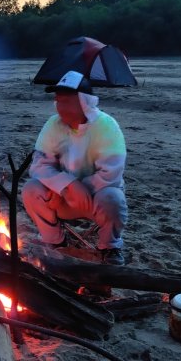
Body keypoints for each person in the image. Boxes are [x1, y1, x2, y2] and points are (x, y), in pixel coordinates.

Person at [21, 70, 129, 266]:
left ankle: (110, 247)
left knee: (113, 198)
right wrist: (64, 185)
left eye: (65, 101)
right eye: (57, 100)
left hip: (95, 199)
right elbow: (39, 165)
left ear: (84, 102)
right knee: (31, 189)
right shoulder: (53, 125)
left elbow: (111, 174)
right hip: (61, 198)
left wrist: (80, 188)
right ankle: (54, 241)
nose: (59, 106)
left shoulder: (106, 126)